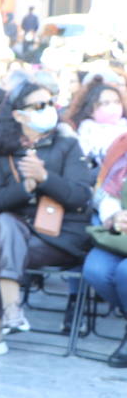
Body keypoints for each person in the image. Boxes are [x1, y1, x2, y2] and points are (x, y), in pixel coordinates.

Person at [0, 75, 94, 356]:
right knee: (4, 227)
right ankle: (10, 313)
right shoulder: (2, 151)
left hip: (62, 237)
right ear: (18, 114)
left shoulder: (66, 145)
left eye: (51, 103)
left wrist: (44, 178)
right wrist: (25, 188)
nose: (49, 108)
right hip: (20, 233)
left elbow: (81, 196)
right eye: (39, 105)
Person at [82, 134, 127, 367]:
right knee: (96, 269)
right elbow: (106, 196)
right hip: (121, 236)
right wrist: (114, 216)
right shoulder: (123, 146)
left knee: (125, 272)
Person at [67, 76, 127, 167]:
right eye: (106, 103)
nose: (114, 107)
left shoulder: (124, 125)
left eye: (117, 102)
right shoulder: (86, 133)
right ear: (91, 109)